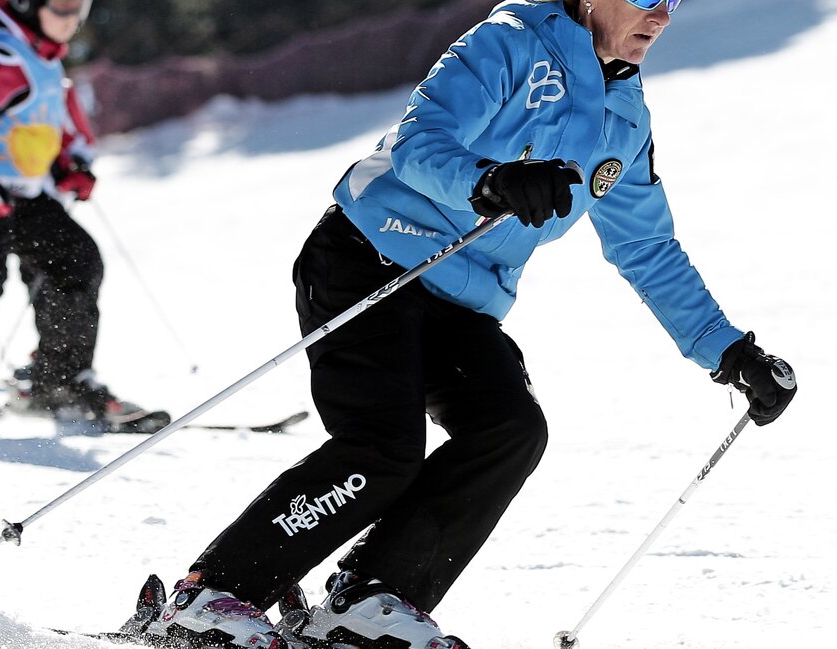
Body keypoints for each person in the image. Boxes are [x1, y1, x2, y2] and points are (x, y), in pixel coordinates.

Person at [135, 1, 797, 647]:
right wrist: (490, 181)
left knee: (509, 426)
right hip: (371, 260)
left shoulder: (623, 117)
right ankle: (209, 596)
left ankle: (369, 598)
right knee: (382, 447)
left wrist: (730, 351)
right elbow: (420, 140)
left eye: (675, 0)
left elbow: (644, 246)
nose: (663, 15)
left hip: (460, 303)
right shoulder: (508, 41)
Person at [0, 0, 168, 433]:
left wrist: (68, 168)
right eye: (61, 8)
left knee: (76, 259)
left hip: (22, 190)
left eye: (79, 10)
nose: (71, 20)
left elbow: (40, 128)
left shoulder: (45, 62)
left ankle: (58, 381)